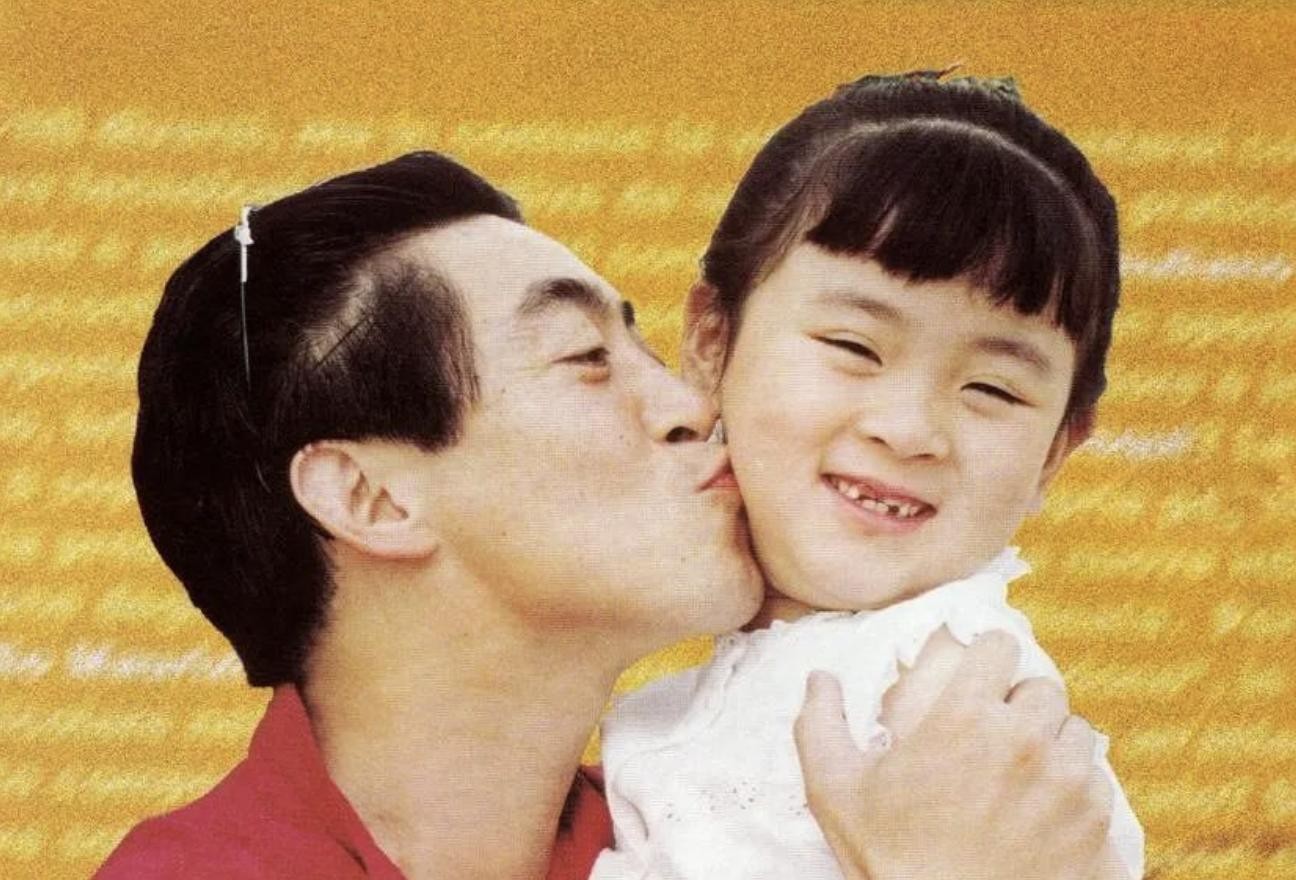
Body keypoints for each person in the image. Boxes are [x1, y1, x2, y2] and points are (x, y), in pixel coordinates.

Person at [98, 150, 1117, 880]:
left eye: (647, 349)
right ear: (372, 497)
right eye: (587, 359)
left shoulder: (709, 825)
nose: (692, 405)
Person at [593, 72, 1143, 880]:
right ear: (712, 343)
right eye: (854, 346)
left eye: (993, 389)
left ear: (1055, 453)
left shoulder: (951, 694)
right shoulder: (666, 706)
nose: (909, 429)